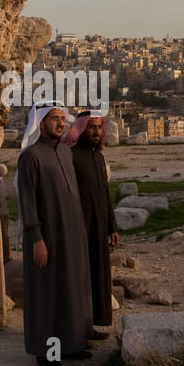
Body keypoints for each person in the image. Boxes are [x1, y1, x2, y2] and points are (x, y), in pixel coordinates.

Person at [16, 104, 93, 366]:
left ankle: (71, 344)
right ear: (41, 123)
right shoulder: (31, 157)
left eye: (63, 119)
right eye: (55, 119)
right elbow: (27, 204)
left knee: (71, 289)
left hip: (71, 234)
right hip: (46, 238)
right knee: (47, 294)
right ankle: (46, 353)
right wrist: (37, 239)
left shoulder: (64, 152)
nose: (61, 124)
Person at [62, 111, 118, 338]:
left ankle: (91, 325)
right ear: (82, 129)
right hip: (79, 228)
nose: (96, 132)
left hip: (98, 229)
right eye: (92, 127)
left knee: (97, 277)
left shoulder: (99, 157)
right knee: (80, 278)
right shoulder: (71, 156)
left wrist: (111, 226)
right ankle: (75, 328)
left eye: (99, 127)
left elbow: (104, 193)